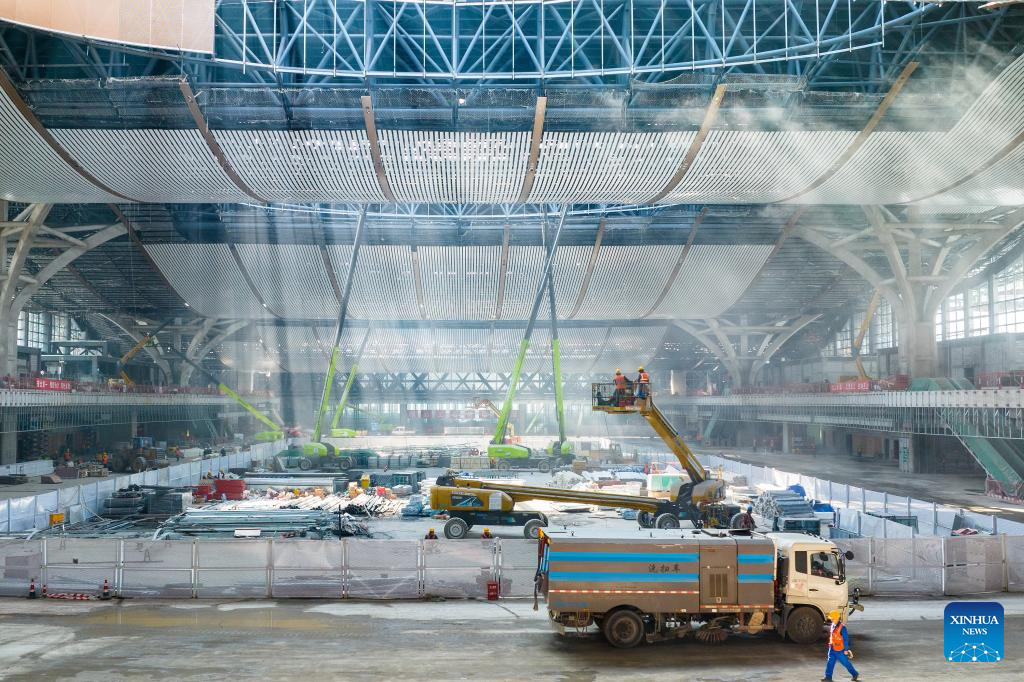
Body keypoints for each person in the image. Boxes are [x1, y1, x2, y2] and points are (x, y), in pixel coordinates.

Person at [822, 610, 859, 681]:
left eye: (833, 618)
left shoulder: (842, 628)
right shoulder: (833, 625)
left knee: (846, 663)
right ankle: (828, 677)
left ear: (837, 618)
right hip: (832, 648)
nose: (831, 620)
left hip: (840, 650)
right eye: (831, 618)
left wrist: (846, 649)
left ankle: (855, 674)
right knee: (830, 662)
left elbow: (845, 639)